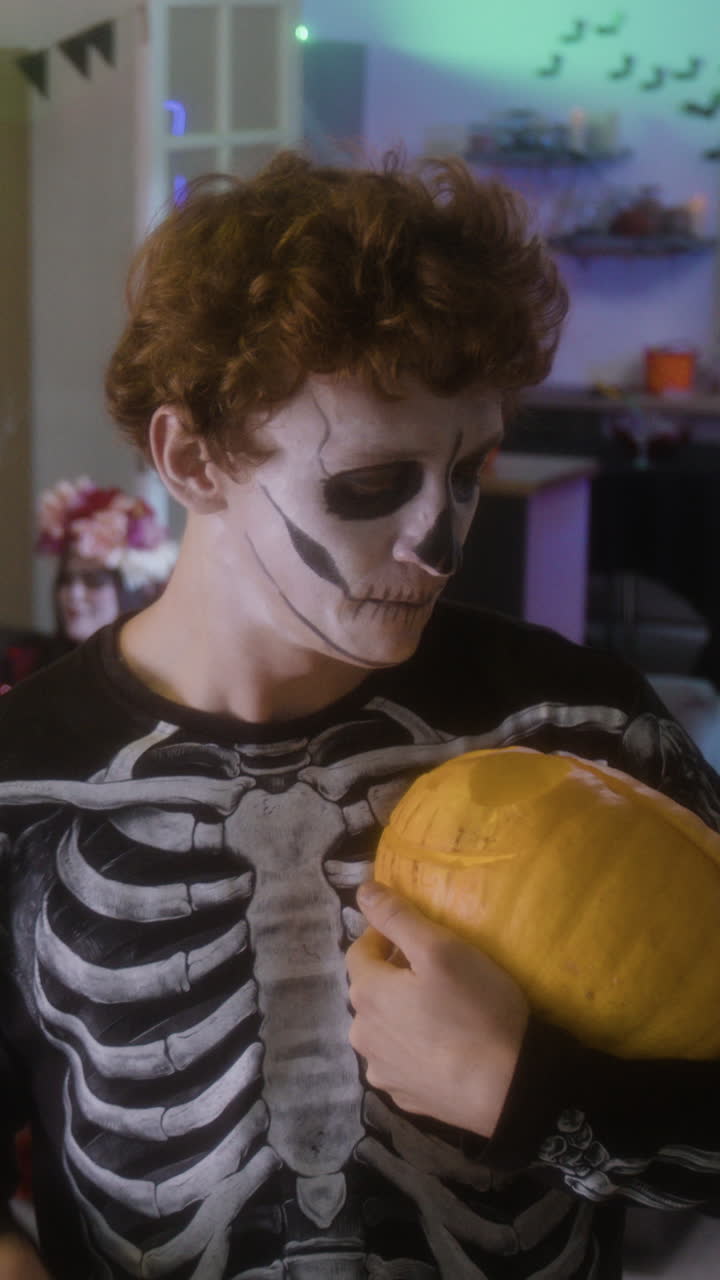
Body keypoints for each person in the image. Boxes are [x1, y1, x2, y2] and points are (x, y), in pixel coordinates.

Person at [0, 150, 718, 1280]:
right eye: (373, 483)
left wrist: (544, 1096)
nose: (443, 542)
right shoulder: (22, 778)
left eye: (469, 470)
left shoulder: (584, 731)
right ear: (191, 457)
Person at [0, 477, 178, 686]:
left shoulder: (163, 678)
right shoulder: (23, 664)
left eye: (93, 581)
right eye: (66, 580)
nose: (73, 594)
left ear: (134, 590)